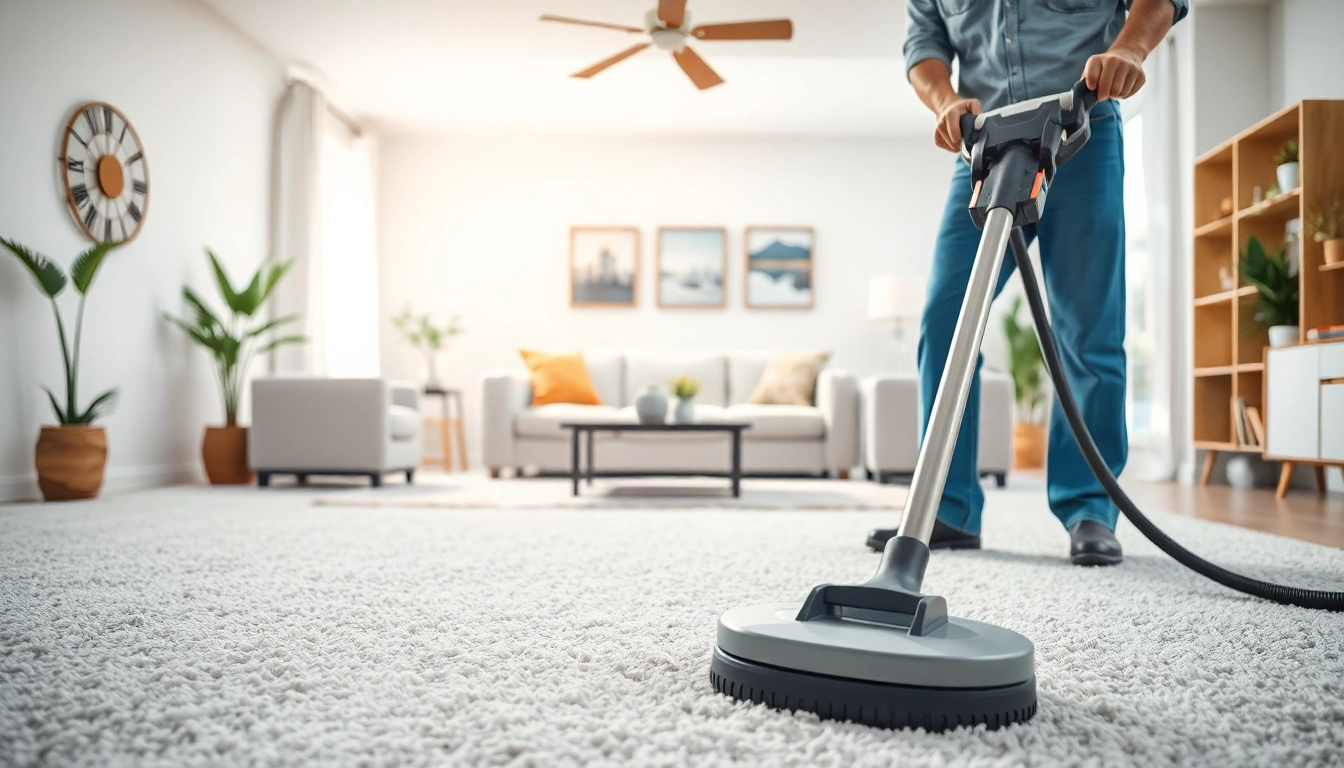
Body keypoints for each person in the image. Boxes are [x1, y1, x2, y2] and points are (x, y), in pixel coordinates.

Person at [867, 0, 1188, 566]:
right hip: (985, 148)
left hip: (1082, 130)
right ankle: (948, 508)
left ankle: (1089, 508)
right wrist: (945, 103)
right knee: (946, 319)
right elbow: (924, 44)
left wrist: (1127, 50)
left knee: (1088, 330)